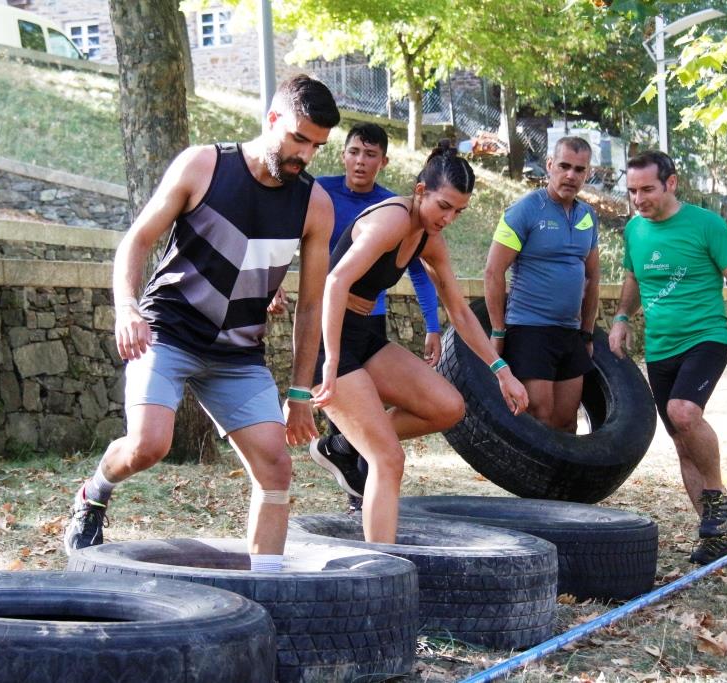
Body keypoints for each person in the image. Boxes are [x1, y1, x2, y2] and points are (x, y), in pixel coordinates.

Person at [62, 75, 341, 573]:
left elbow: (311, 304)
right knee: (149, 446)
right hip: (168, 331)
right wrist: (126, 308)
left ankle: (268, 591)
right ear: (272, 119)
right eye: (299, 138)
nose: (305, 155)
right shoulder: (204, 165)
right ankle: (94, 492)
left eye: (317, 146)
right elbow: (137, 240)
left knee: (276, 467)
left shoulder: (314, 204)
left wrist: (300, 392)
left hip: (238, 353)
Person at [310, 141, 529, 544]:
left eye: (458, 211)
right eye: (444, 206)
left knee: (448, 407)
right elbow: (335, 281)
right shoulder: (391, 220)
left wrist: (502, 371)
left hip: (366, 336)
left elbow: (460, 312)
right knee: (388, 459)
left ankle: (342, 445)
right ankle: (381, 566)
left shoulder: (428, 237)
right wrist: (330, 360)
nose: (448, 218)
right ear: (420, 190)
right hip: (328, 340)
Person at [609, 151, 727, 565]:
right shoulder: (635, 230)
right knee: (683, 443)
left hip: (705, 337)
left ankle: (717, 495)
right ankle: (714, 536)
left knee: (683, 411)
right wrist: (622, 317)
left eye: (647, 189)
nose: (639, 199)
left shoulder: (705, 224)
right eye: (632, 191)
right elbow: (633, 276)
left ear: (671, 183)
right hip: (660, 347)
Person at [304, 123, 442, 513]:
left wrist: (433, 325)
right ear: (343, 154)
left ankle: (361, 498)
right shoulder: (321, 192)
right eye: (354, 152)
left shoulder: (399, 207)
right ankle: (358, 502)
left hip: (371, 324)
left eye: (370, 155)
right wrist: (273, 286)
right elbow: (288, 239)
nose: (360, 161)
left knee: (370, 426)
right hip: (328, 321)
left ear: (384, 161)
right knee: (357, 425)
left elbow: (420, 272)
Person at [483, 136, 600, 432]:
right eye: (564, 166)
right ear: (549, 165)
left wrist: (587, 333)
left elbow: (592, 277)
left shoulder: (588, 216)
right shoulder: (525, 210)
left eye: (579, 169)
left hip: (569, 333)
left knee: (567, 422)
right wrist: (498, 331)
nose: (571, 175)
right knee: (539, 417)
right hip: (529, 329)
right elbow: (493, 272)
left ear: (588, 173)